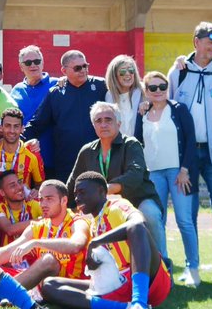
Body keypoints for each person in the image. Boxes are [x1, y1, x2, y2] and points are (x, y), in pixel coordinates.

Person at [37, 172, 171, 309]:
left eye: (82, 192)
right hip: (117, 283)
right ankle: (125, 308)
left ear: (102, 192)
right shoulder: (93, 222)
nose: (78, 198)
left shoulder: (117, 206)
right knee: (49, 284)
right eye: (75, 194)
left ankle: (139, 304)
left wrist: (96, 242)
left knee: (136, 228)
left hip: (150, 282)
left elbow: (139, 222)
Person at [167, 22, 212, 285]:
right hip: (186, 156)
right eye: (209, 41)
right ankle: (192, 267)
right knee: (190, 213)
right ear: (195, 42)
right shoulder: (178, 72)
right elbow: (169, 108)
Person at [66, 102, 170, 271]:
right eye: (98, 121)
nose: (103, 124)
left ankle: (163, 267)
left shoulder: (132, 144)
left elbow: (135, 175)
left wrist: (104, 190)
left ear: (119, 124)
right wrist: (62, 202)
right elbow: (73, 182)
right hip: (103, 207)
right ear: (94, 126)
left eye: (108, 119)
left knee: (150, 214)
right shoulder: (87, 151)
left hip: (138, 200)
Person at [131, 71, 199, 285]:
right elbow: (137, 142)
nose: (158, 91)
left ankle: (193, 269)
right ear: (146, 91)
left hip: (179, 173)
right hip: (153, 174)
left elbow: (190, 140)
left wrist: (185, 170)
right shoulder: (142, 112)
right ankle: (162, 267)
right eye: (153, 88)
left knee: (184, 220)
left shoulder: (179, 109)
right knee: (157, 220)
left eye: (162, 87)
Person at [22, 49, 109, 184]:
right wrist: (15, 139)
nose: (83, 70)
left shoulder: (101, 86)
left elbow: (124, 95)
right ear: (64, 71)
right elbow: (37, 123)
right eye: (77, 68)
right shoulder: (56, 93)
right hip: (66, 164)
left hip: (97, 159)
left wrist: (145, 102)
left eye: (85, 66)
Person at [0, 107, 44, 214]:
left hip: (21, 218)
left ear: (22, 129)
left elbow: (40, 185)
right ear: (1, 127)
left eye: (16, 126)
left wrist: (36, 191)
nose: (11, 131)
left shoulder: (32, 156)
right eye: (7, 126)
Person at [9, 45, 56, 161]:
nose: (33, 65)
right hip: (23, 157)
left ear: (42, 63)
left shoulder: (57, 85)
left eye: (37, 61)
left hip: (53, 156)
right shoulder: (16, 91)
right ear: (21, 67)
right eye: (28, 62)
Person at [0, 170, 43, 255]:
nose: (19, 187)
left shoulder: (33, 203)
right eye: (13, 185)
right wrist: (42, 220)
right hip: (9, 259)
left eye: (19, 182)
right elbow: (10, 230)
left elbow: (56, 217)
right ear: (2, 192)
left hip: (34, 258)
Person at [105, 55, 143, 137]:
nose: (127, 74)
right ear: (114, 75)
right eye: (123, 71)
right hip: (117, 147)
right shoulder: (109, 96)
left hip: (140, 146)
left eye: (131, 70)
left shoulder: (144, 92)